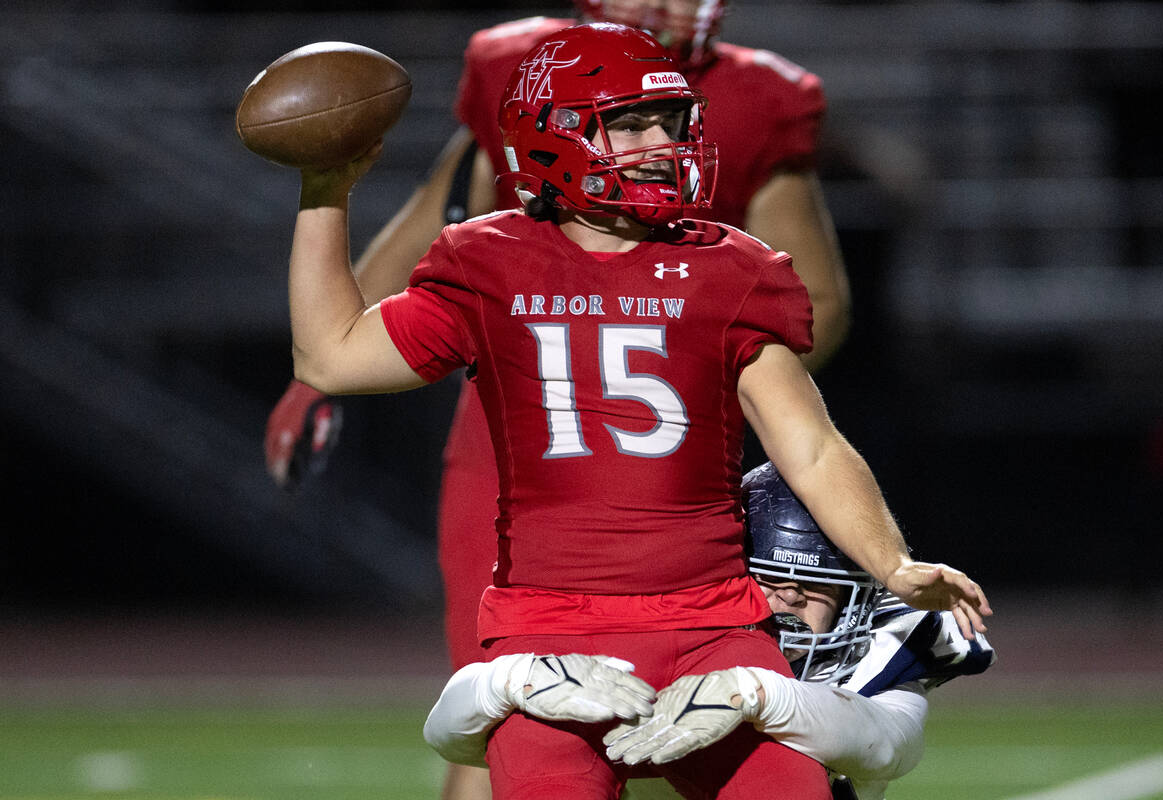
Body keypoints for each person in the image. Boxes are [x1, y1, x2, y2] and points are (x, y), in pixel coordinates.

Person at [284, 22, 989, 799]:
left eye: (671, 121)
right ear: (555, 136)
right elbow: (332, 356)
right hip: (549, 635)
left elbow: (810, 447)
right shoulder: (486, 259)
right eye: (630, 124)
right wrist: (325, 194)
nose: (661, 142)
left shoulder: (731, 265)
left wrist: (892, 564)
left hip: (715, 631)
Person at [423, 461, 996, 800]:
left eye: (820, 587)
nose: (791, 597)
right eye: (769, 579)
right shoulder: (666, 632)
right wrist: (509, 681)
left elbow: (887, 746)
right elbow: (452, 736)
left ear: (860, 602)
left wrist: (755, 692)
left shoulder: (884, 649)